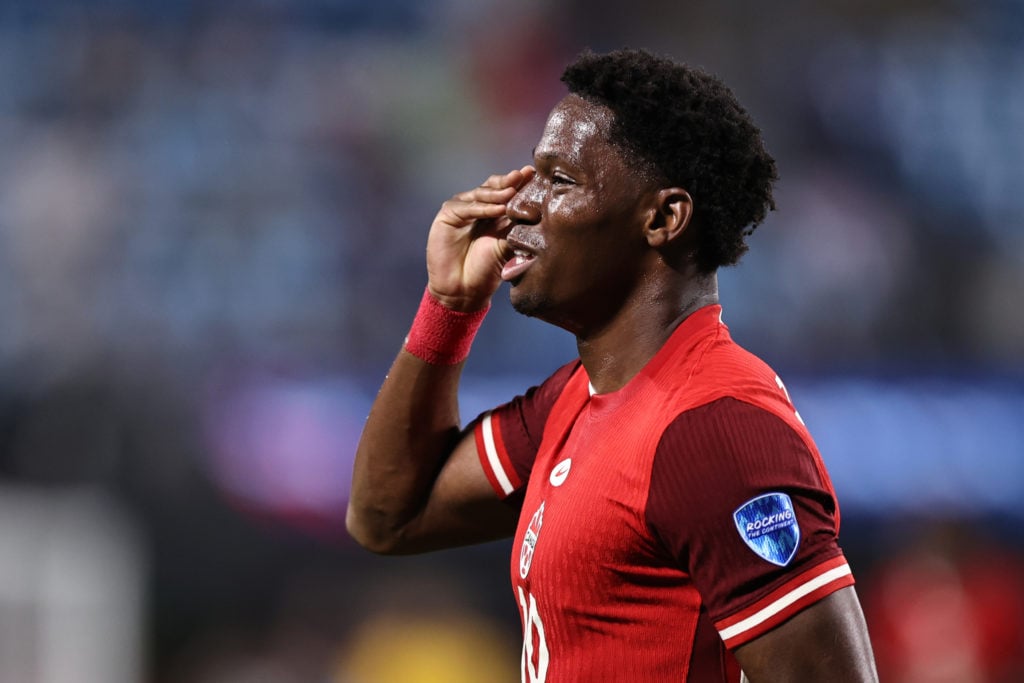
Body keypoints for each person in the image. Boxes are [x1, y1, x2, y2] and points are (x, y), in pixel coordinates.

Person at [346, 47, 878, 682]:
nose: (518, 205)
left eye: (560, 180)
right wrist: (449, 306)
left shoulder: (713, 430)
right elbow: (386, 516)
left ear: (662, 218)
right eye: (531, 176)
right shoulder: (573, 401)